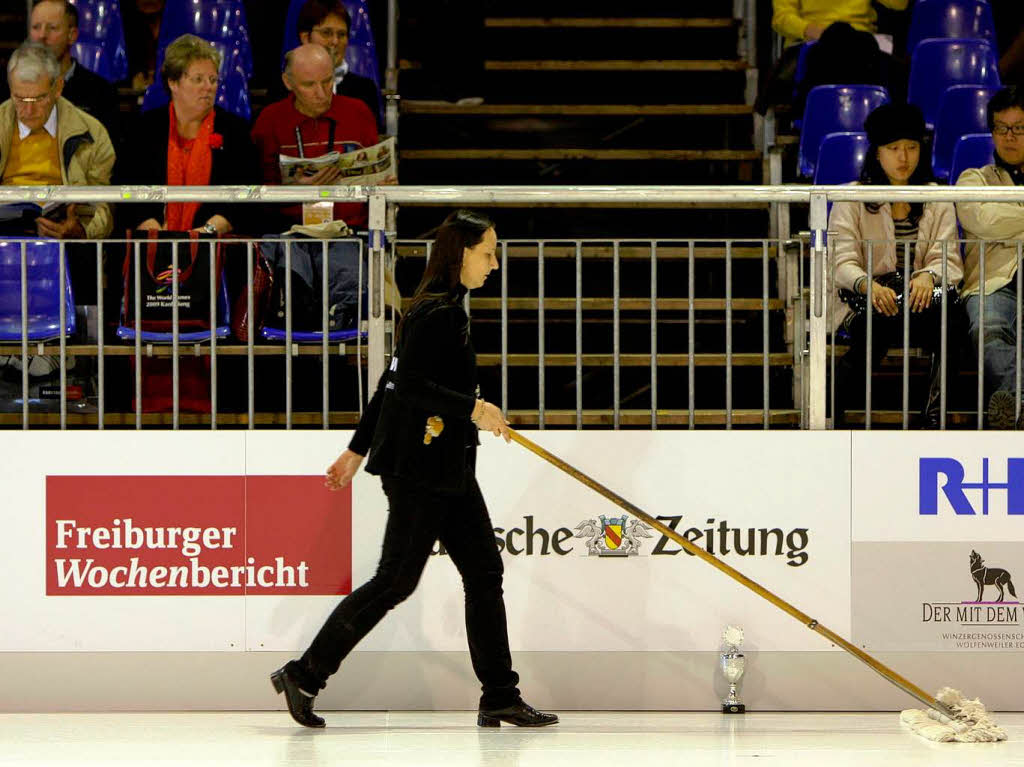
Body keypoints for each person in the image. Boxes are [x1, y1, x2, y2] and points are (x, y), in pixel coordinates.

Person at [270, 210, 559, 731]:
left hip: (447, 467)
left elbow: (392, 380)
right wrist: (474, 409)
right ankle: (304, 673)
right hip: (420, 469)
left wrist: (355, 451)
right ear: (462, 252)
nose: (495, 264)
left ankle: (499, 694)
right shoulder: (437, 313)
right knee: (395, 582)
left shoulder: (441, 307)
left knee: (483, 572)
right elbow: (407, 389)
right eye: (489, 252)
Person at [829, 103, 963, 428]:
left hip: (919, 302)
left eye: (912, 148)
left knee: (956, 321)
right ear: (877, 153)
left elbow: (948, 258)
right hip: (866, 303)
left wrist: (929, 277)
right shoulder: (851, 198)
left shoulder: (935, 196)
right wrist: (868, 285)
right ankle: (835, 411)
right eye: (894, 149)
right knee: (881, 321)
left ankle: (934, 414)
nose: (904, 158)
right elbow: (842, 262)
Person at [118, 34, 258, 235]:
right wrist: (159, 236)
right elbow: (127, 189)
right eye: (198, 79)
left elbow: (244, 199)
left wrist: (203, 233)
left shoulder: (235, 131)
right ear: (173, 83)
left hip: (215, 244)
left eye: (212, 80)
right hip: (151, 244)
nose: (209, 87)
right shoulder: (144, 129)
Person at [251, 43, 377, 231]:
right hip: (288, 231)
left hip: (348, 232)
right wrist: (295, 191)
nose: (321, 93)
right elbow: (258, 193)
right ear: (288, 82)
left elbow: (376, 173)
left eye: (327, 81)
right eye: (309, 85)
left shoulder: (358, 112)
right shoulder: (270, 120)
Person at [956, 86, 1024, 430]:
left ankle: (1015, 405)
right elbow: (981, 220)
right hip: (993, 282)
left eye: (1019, 127)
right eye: (1001, 128)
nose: (1009, 137)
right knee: (989, 333)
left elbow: (994, 221)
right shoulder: (974, 178)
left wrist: (1007, 219)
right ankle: (1017, 403)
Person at [0, 42, 114, 243]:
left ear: (58, 87)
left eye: (39, 98)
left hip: (66, 245)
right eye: (19, 98)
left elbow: (104, 207)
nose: (28, 111)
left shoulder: (91, 133)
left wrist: (81, 231)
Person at [757, 0, 909, 115]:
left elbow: (900, 4)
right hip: (813, 40)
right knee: (834, 47)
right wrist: (817, 32)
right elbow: (782, 18)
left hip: (860, 41)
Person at [23, 0, 120, 141]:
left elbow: (107, 155)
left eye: (52, 28)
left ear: (72, 35)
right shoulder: (10, 88)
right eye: (36, 27)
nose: (42, 35)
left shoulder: (100, 92)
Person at [295, 0, 379, 119]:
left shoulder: (364, 89)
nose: (335, 41)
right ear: (305, 38)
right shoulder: (286, 87)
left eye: (341, 34)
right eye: (326, 33)